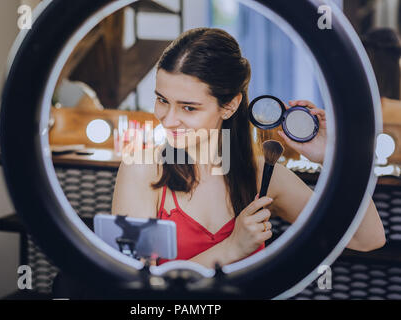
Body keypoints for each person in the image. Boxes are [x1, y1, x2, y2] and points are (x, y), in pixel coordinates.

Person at [111, 27, 386, 269]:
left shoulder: (262, 175)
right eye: (162, 100)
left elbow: (368, 239)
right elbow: (138, 291)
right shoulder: (143, 171)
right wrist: (232, 248)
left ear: (229, 105)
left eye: (188, 107)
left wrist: (333, 157)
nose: (168, 120)